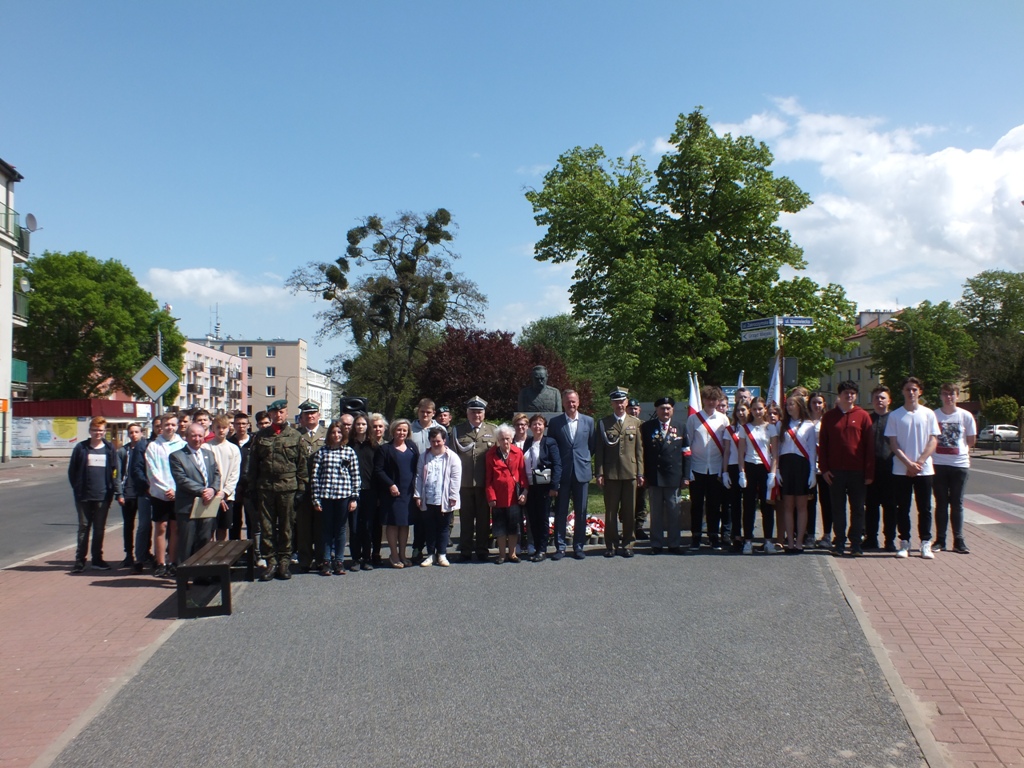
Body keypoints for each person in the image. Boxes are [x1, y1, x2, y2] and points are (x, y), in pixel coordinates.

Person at [249, 399, 308, 581]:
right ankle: (270, 562)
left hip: (288, 488)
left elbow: (302, 465)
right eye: (274, 413)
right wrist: (252, 488)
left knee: (286, 526)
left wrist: (301, 488)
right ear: (270, 415)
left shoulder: (295, 436)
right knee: (267, 528)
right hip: (265, 488)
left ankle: (284, 562)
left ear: (286, 412)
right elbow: (253, 466)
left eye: (281, 412)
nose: (278, 415)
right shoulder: (261, 437)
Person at [884, 377, 941, 559]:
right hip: (901, 470)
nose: (911, 393)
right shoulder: (895, 415)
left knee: (924, 507)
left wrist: (919, 462)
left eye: (914, 389)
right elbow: (893, 444)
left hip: (924, 470)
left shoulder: (928, 414)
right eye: (907, 389)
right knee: (903, 507)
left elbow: (933, 440)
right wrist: (908, 464)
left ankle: (925, 543)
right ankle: (905, 543)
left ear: (920, 392)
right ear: (902, 392)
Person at [818, 381, 875, 557]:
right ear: (839, 395)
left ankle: (856, 543)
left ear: (855, 396)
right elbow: (823, 445)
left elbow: (869, 446)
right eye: (846, 393)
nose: (849, 396)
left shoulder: (863, 416)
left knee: (858, 508)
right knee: (838, 508)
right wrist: (825, 469)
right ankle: (840, 542)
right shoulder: (829, 417)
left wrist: (869, 472)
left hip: (857, 471)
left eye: (852, 393)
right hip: (835, 472)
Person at [595, 387, 645, 557]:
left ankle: (628, 543)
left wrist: (640, 473)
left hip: (630, 472)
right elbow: (600, 450)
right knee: (610, 511)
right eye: (616, 402)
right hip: (611, 473)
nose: (619, 405)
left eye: (622, 401)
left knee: (629, 511)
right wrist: (599, 473)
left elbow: (639, 450)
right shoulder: (603, 423)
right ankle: (611, 544)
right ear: (611, 404)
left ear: (626, 402)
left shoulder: (636, 423)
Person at [67, 417, 121, 572]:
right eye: (95, 430)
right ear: (90, 431)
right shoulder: (81, 448)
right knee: (84, 527)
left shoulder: (109, 449)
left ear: (105, 432)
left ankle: (97, 559)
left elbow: (114, 471)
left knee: (99, 528)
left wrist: (114, 490)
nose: (98, 433)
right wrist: (77, 488)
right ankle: (80, 560)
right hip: (83, 495)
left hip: (103, 496)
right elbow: (72, 471)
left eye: (101, 430)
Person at [547, 389, 596, 560]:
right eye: (568, 401)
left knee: (581, 511)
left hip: (582, 473)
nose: (571, 404)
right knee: (561, 511)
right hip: (562, 473)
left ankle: (578, 546)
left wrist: (583, 460)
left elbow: (592, 446)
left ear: (579, 402)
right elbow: (551, 448)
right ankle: (560, 547)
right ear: (563, 403)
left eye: (574, 401)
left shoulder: (589, 422)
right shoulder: (555, 423)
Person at [451, 397, 499, 562]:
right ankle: (465, 550)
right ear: (467, 413)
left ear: (484, 414)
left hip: (484, 483)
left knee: (484, 519)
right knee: (465, 519)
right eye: (473, 412)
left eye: (479, 412)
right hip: (464, 483)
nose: (476, 415)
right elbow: (452, 456)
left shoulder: (493, 431)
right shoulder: (458, 431)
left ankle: (482, 549)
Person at [311, 420, 361, 575]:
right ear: (329, 435)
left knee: (340, 530)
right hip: (326, 496)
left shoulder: (349, 452)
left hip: (343, 496)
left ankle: (339, 561)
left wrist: (354, 497)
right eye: (333, 432)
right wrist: (315, 499)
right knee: (326, 530)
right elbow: (315, 477)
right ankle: (326, 561)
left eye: (339, 432)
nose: (336, 435)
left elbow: (355, 476)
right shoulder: (322, 452)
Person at [640, 397, 690, 554]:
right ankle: (656, 544)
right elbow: (642, 453)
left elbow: (686, 453)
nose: (665, 411)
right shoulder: (647, 427)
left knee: (674, 512)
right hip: (654, 476)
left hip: (673, 476)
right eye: (662, 408)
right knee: (656, 512)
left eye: (668, 408)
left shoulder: (681, 427)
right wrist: (642, 474)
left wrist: (686, 476)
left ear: (673, 410)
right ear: (657, 410)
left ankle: (674, 544)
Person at [932, 384, 976, 554]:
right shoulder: (934, 415)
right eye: (945, 394)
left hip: (959, 465)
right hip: (939, 464)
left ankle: (958, 540)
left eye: (952, 394)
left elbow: (971, 440)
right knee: (941, 503)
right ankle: (940, 540)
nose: (949, 397)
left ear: (957, 396)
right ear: (941, 396)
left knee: (957, 504)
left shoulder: (965, 416)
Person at [170, 423, 223, 564]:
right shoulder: (177, 456)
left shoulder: (209, 454)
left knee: (204, 541)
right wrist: (203, 491)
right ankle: (184, 577)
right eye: (193, 435)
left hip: (207, 505)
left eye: (200, 435)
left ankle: (202, 575)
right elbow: (181, 479)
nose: (197, 438)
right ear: (186, 437)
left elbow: (217, 475)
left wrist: (212, 489)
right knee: (187, 543)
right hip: (188, 506)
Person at [687, 385, 729, 550]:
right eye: (708, 399)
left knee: (714, 504)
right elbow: (688, 444)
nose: (711, 402)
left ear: (718, 401)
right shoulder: (693, 419)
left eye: (714, 399)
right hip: (697, 467)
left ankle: (713, 536)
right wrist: (688, 469)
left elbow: (726, 445)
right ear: (703, 400)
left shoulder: (723, 419)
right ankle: (696, 536)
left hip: (716, 468)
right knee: (696, 504)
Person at [774, 392, 817, 553]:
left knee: (801, 506)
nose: (789, 407)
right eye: (787, 404)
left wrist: (813, 471)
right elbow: (776, 450)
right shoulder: (781, 425)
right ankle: (790, 542)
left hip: (802, 466)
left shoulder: (809, 425)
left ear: (800, 406)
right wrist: (777, 470)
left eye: (792, 404)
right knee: (788, 505)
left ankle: (799, 542)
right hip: (786, 465)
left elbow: (812, 450)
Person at [374, 418, 419, 568]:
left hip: (408, 492)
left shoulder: (412, 447)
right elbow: (378, 470)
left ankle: (402, 554)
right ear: (393, 431)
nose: (401, 433)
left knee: (404, 523)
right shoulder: (385, 449)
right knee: (393, 524)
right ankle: (393, 555)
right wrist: (390, 485)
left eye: (404, 430)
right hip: (392, 492)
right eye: (399, 430)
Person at [415, 426, 462, 567]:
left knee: (443, 528)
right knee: (429, 527)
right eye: (433, 441)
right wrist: (417, 495)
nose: (436, 444)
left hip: (445, 498)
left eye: (438, 441)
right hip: (428, 497)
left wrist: (453, 495)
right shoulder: (424, 456)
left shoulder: (452, 457)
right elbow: (418, 477)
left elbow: (455, 477)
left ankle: (442, 554)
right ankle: (430, 555)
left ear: (444, 441)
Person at [146, 413, 185, 577]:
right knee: (161, 527)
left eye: (173, 424)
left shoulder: (183, 445)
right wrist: (165, 489)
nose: (170, 427)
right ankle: (160, 562)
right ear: (161, 426)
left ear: (177, 426)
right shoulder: (153, 446)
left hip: (179, 494)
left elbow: (186, 470)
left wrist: (176, 490)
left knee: (175, 528)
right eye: (166, 424)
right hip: (160, 494)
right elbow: (152, 471)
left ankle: (173, 562)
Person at [485, 424, 528, 564]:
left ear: (512, 438)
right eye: (502, 439)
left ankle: (513, 554)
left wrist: (525, 492)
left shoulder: (518, 453)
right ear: (498, 439)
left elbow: (522, 476)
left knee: (514, 526)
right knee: (500, 527)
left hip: (514, 496)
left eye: (508, 438)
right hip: (498, 497)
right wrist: (491, 496)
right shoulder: (491, 454)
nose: (505, 442)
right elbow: (489, 479)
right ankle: (502, 555)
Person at [741, 398, 778, 553]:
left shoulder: (771, 428)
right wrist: (741, 473)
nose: (758, 412)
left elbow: (775, 453)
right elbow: (740, 453)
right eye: (755, 409)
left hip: (765, 468)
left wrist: (773, 473)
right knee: (749, 505)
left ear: (765, 410)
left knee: (767, 506)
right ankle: (748, 540)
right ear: (751, 410)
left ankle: (768, 540)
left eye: (760, 409)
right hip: (749, 467)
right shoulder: (745, 428)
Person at [522, 414, 561, 561]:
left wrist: (554, 486)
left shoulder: (549, 442)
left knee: (543, 518)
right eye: (534, 424)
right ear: (530, 427)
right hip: (530, 486)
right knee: (532, 519)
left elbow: (557, 464)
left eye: (540, 424)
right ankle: (536, 547)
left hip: (544, 486)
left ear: (544, 426)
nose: (537, 427)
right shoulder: (528, 442)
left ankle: (542, 550)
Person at [296, 400, 327, 573]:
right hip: (303, 485)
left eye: (313, 413)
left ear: (319, 415)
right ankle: (305, 559)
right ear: (302, 417)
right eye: (307, 414)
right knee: (303, 525)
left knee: (321, 525)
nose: (310, 416)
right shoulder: (295, 434)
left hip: (322, 486)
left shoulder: (327, 433)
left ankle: (322, 558)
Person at [864, 386, 895, 551]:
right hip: (871, 470)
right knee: (871, 507)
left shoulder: (895, 419)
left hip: (891, 470)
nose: (879, 400)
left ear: (889, 400)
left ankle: (889, 540)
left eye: (882, 397)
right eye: (876, 397)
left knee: (890, 507)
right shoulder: (868, 420)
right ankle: (871, 538)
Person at [117, 423, 149, 569]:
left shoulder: (147, 447)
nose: (134, 435)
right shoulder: (123, 451)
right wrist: (119, 493)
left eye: (136, 432)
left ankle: (145, 551)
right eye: (131, 432)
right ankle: (128, 554)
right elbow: (117, 474)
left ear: (141, 433)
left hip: (143, 492)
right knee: (128, 524)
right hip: (128, 492)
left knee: (145, 524)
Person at [349, 413, 379, 570]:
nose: (360, 427)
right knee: (354, 527)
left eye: (363, 424)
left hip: (370, 490)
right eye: (358, 424)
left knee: (367, 526)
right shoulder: (348, 445)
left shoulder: (374, 446)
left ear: (368, 427)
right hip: (352, 492)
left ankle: (367, 557)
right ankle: (355, 558)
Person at [206, 414, 241, 542]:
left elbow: (234, 474)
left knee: (223, 528)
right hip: (210, 496)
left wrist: (224, 492)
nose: (221, 430)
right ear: (213, 429)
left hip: (227, 496)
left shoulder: (233, 449)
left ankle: (219, 556)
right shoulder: (206, 447)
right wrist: (214, 492)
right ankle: (207, 556)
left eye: (224, 427)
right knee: (209, 528)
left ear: (229, 429)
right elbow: (206, 473)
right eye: (218, 427)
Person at [229, 412, 259, 557]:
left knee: (251, 521)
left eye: (243, 424)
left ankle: (252, 553)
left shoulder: (254, 442)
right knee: (234, 521)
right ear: (233, 425)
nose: (241, 427)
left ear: (248, 425)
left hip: (249, 487)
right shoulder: (229, 442)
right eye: (238, 424)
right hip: (233, 487)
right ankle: (234, 553)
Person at [721, 402, 749, 552]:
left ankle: (749, 536)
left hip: (749, 467)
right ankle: (737, 535)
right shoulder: (730, 429)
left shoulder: (752, 428)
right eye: (738, 410)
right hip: (733, 467)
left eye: (743, 409)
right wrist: (724, 472)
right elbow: (726, 452)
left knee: (749, 504)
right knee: (735, 504)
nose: (740, 413)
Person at [367, 413, 390, 564]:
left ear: (385, 428)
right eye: (374, 426)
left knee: (379, 523)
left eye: (380, 426)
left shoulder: (388, 445)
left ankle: (376, 551)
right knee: (368, 522)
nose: (377, 429)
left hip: (384, 489)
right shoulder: (365, 445)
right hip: (368, 488)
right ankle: (365, 552)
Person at [627, 398, 648, 539]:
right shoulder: (624, 424)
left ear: (639, 410)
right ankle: (627, 526)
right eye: (630, 408)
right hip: (627, 468)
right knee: (627, 499)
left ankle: (639, 527)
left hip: (642, 467)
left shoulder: (645, 426)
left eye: (636, 408)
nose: (633, 411)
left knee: (641, 499)